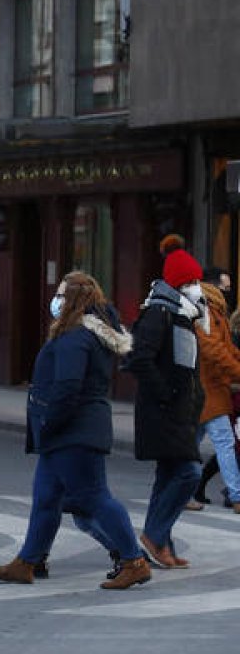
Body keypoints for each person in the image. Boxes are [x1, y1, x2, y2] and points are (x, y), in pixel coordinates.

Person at [0, 271, 151, 589]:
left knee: (95, 497)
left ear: (73, 300)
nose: (56, 300)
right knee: (46, 498)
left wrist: (49, 422)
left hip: (73, 432)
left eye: (61, 294)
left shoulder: (75, 337)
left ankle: (134, 561)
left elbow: (68, 387)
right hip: (71, 431)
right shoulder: (87, 333)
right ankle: (26, 563)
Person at [125, 236, 206, 569]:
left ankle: (163, 544)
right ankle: (154, 536)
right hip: (164, 411)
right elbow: (139, 358)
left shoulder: (182, 315)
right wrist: (166, 394)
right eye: (190, 282)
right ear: (177, 285)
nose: (196, 288)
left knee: (169, 475)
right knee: (188, 473)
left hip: (178, 411)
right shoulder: (159, 313)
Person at [184, 280, 240, 514]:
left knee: (190, 446)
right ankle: (237, 496)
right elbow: (216, 350)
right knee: (224, 443)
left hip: (205, 390)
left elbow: (225, 349)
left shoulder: (210, 311)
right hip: (209, 390)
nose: (228, 291)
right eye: (224, 286)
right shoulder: (207, 313)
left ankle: (183, 493)